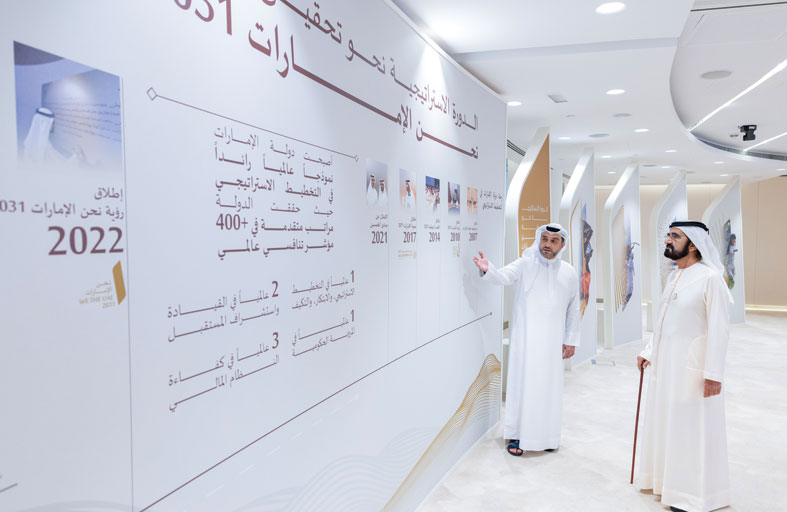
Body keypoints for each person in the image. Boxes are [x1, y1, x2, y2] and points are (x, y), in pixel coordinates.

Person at [635, 220, 733, 512]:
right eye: (668, 235)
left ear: (693, 244)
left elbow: (720, 329)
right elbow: (664, 321)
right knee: (669, 423)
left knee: (691, 430)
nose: (667, 240)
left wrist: (713, 374)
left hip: (694, 371)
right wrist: (649, 351)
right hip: (666, 367)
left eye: (674, 236)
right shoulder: (674, 277)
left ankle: (691, 496)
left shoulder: (710, 278)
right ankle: (665, 483)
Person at [473, 223, 580, 456]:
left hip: (552, 344)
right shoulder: (525, 264)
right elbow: (503, 276)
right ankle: (518, 435)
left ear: (562, 245)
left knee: (549, 389)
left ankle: (548, 437)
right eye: (544, 239)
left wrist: (571, 339)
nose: (547, 245)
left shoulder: (569, 272)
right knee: (524, 386)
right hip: (526, 341)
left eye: (553, 241)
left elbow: (573, 309)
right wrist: (488, 269)